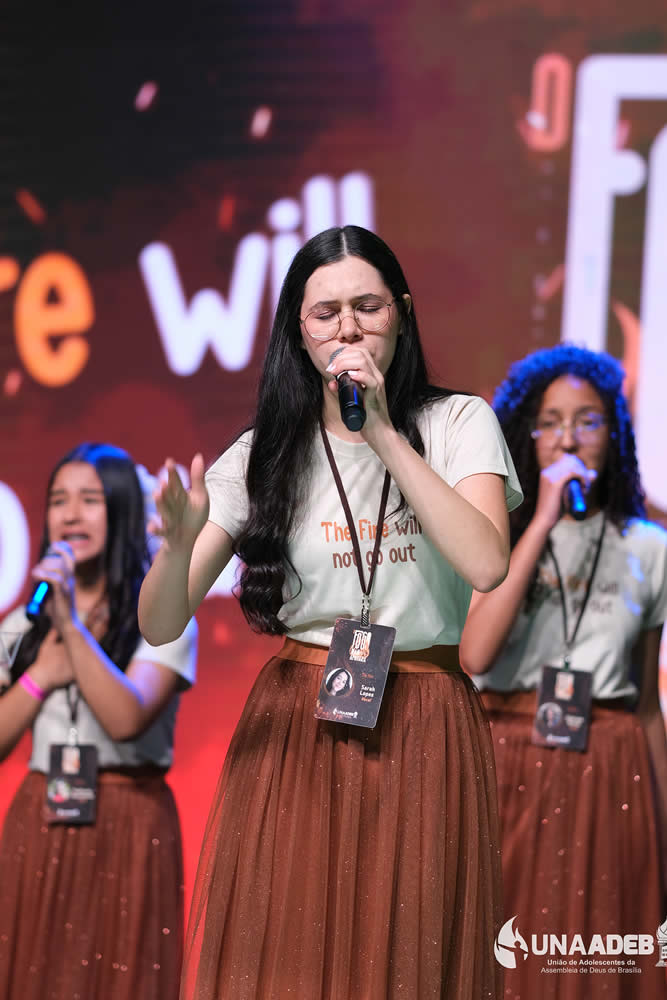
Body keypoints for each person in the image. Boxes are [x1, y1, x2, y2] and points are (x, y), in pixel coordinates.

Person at [139, 224, 522, 1000]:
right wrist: (177, 549)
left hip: (423, 715)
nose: (347, 327)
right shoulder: (264, 451)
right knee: (292, 958)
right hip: (299, 722)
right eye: (325, 313)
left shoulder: (457, 422)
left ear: (401, 314)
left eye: (367, 306)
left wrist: (380, 433)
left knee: (409, 957)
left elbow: (486, 562)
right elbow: (159, 624)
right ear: (299, 331)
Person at [460, 344, 667, 998]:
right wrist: (540, 519)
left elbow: (644, 701)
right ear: (525, 434)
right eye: (549, 423)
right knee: (503, 950)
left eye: (587, 421)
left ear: (615, 433)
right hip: (507, 755)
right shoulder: (493, 534)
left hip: (610, 765)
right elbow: (475, 654)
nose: (568, 439)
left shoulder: (648, 546)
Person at [0, 443, 197, 1000]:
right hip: (40, 820)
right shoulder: (23, 626)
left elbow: (126, 717)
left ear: (124, 510)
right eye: (58, 500)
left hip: (129, 824)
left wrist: (72, 629)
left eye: (89, 500)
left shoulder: (163, 617)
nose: (70, 515)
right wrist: (40, 675)